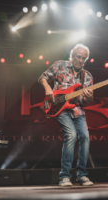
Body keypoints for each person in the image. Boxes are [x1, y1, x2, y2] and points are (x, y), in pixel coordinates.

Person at [38, 44, 94, 187]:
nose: (81, 60)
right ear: (72, 55)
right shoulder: (60, 65)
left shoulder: (87, 76)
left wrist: (89, 97)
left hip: (77, 109)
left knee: (85, 137)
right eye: (78, 57)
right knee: (71, 135)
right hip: (60, 108)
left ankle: (82, 175)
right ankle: (64, 176)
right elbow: (42, 78)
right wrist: (48, 88)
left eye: (84, 58)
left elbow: (87, 100)